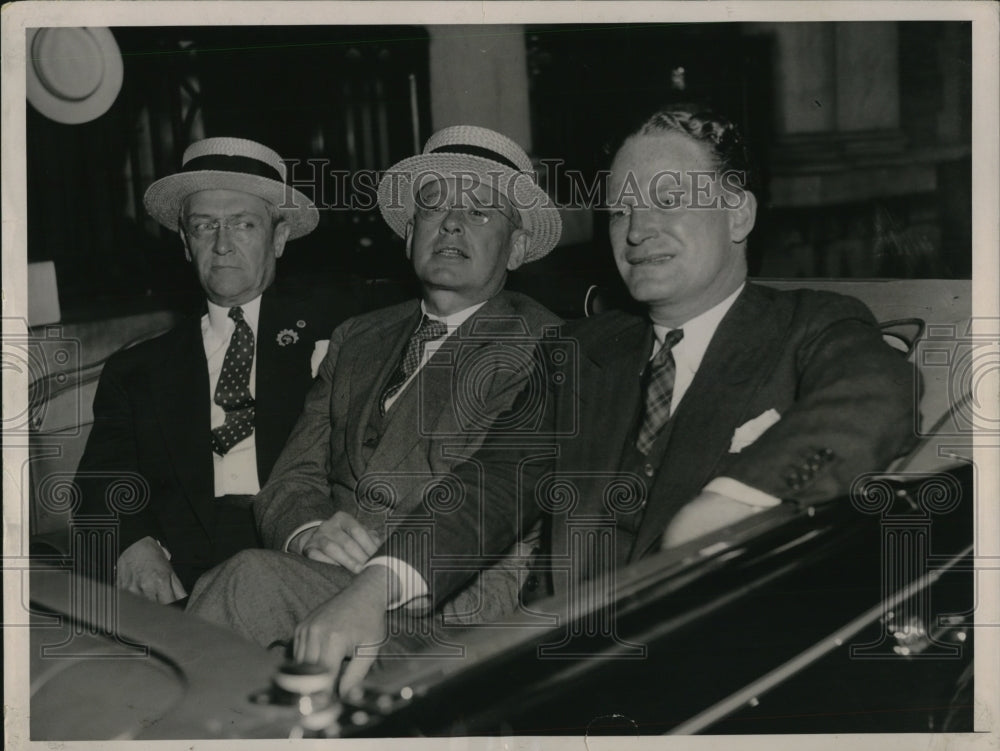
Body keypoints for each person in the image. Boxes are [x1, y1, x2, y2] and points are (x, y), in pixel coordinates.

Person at [191, 104, 917, 693]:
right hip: (555, 659)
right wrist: (377, 585)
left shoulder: (807, 323)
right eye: (622, 207)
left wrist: (736, 497)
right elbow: (491, 486)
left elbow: (878, 392)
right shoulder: (586, 354)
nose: (639, 228)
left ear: (739, 215)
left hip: (714, 666)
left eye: (671, 200)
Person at [186, 125, 563, 636]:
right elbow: (291, 477)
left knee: (244, 581)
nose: (451, 224)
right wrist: (307, 533)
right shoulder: (359, 337)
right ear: (409, 235)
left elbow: (498, 512)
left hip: (443, 600)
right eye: (433, 208)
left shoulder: (543, 345)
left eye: (479, 212)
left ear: (516, 249)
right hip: (319, 577)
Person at [74, 137, 357, 602]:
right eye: (205, 226)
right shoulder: (137, 369)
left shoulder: (342, 335)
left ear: (279, 237)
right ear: (186, 243)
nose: (222, 244)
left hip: (304, 558)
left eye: (243, 224)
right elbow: (102, 479)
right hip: (179, 577)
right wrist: (133, 545)